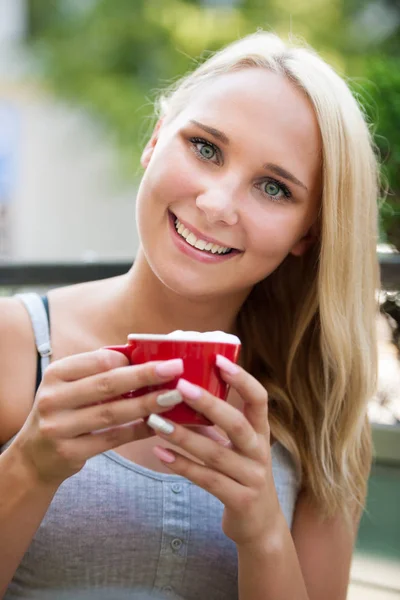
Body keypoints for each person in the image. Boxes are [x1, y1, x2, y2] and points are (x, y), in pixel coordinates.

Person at [0, 31, 379, 600]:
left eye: (274, 188)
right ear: (155, 141)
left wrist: (262, 533)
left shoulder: (320, 408)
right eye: (205, 148)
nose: (217, 204)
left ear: (310, 233)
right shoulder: (14, 344)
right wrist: (28, 467)